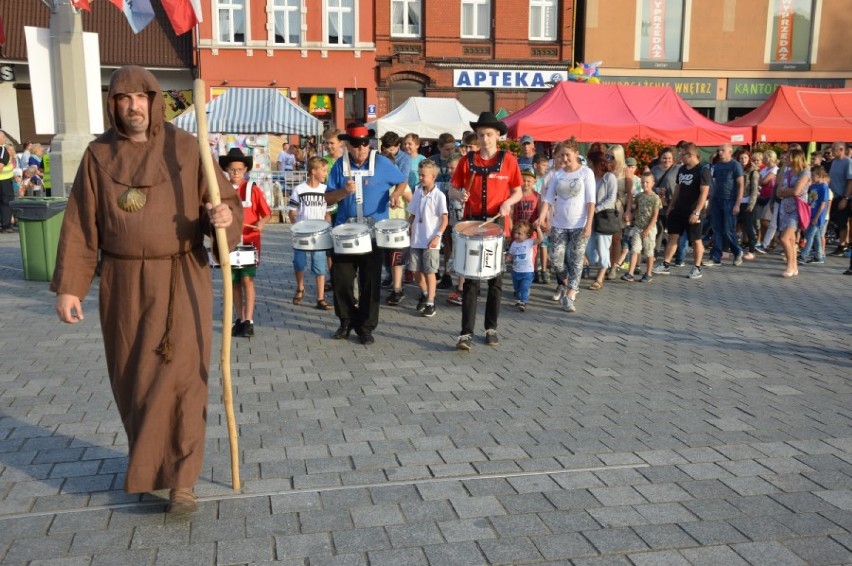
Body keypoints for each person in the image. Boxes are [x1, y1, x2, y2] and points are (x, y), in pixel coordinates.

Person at [50, 66, 242, 514]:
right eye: (123, 98)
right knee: (134, 379)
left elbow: (225, 202)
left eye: (142, 96)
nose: (133, 105)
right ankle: (151, 465)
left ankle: (182, 481)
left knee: (182, 381)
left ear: (155, 101)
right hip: (122, 286)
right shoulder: (98, 156)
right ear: (113, 104)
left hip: (181, 279)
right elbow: (81, 224)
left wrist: (224, 221)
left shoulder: (187, 148)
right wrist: (70, 288)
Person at [325, 123, 407, 345]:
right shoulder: (339, 166)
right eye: (355, 144)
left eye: (364, 144)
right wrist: (344, 192)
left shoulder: (380, 162)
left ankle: (366, 327)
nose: (360, 149)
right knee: (341, 280)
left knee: (369, 282)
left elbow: (402, 180)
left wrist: (396, 195)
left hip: (372, 234)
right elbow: (327, 198)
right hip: (345, 232)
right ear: (347, 145)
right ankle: (346, 321)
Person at [452, 112, 522, 350]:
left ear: (498, 136)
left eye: (489, 135)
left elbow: (518, 191)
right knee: (471, 280)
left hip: (497, 225)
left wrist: (508, 203)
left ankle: (490, 328)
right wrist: (459, 194)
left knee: (495, 279)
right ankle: (466, 333)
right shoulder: (466, 161)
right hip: (472, 224)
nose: (485, 139)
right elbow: (453, 188)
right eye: (481, 135)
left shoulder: (508, 160)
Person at [220, 148, 272, 338]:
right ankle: (240, 318)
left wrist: (261, 223)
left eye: (240, 169)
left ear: (245, 170)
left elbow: (266, 213)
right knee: (233, 283)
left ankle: (249, 320)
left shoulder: (253, 189)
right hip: (229, 242)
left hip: (249, 242)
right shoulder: (221, 190)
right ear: (227, 169)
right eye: (233, 169)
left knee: (247, 280)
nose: (236, 173)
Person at [540, 138, 596, 313]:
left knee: (576, 259)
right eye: (561, 155)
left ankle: (570, 295)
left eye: (567, 155)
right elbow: (548, 198)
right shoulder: (558, 174)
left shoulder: (586, 173)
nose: (564, 159)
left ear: (576, 154)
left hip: (579, 223)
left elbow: (591, 201)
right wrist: (542, 217)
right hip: (559, 224)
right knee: (556, 260)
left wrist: (589, 224)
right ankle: (567, 284)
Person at [653, 142, 710, 279]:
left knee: (696, 240)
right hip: (679, 209)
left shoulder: (702, 170)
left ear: (690, 155)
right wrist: (671, 206)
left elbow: (704, 193)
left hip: (693, 211)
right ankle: (666, 264)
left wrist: (696, 212)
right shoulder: (682, 169)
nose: (680, 157)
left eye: (682, 155)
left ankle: (697, 268)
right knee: (673, 236)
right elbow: (678, 188)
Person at [288, 156, 333, 309]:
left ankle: (320, 298)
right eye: (324, 171)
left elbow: (328, 212)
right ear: (313, 171)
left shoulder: (326, 190)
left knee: (320, 264)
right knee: (299, 262)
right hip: (302, 233)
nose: (325, 174)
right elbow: (292, 210)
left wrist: (328, 224)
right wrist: (295, 223)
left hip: (319, 234)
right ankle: (300, 287)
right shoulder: (299, 189)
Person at [407, 159, 448, 318]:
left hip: (431, 239)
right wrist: (407, 228)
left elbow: (444, 219)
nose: (421, 177)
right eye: (420, 174)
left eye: (424, 175)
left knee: (430, 271)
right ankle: (424, 293)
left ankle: (431, 302)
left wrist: (438, 236)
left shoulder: (439, 196)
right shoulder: (418, 191)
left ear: (433, 177)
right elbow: (412, 213)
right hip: (417, 238)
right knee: (415, 269)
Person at [776, 148, 811, 277]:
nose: (786, 159)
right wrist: (784, 166)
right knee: (790, 239)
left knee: (784, 238)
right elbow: (778, 189)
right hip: (785, 207)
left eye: (789, 157)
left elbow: (797, 191)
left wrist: (786, 191)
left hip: (797, 208)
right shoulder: (788, 172)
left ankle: (790, 265)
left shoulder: (805, 172)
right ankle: (794, 266)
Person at [585, 150, 617, 291]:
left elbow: (611, 199)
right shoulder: (591, 177)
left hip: (603, 217)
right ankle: (600, 267)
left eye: (591, 163)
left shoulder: (609, 177)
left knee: (603, 248)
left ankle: (600, 277)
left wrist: (596, 209)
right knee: (590, 251)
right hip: (590, 218)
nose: (589, 165)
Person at [622, 171, 662, 283]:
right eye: (643, 182)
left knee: (649, 252)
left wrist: (648, 229)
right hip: (638, 227)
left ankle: (648, 273)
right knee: (635, 249)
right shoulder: (639, 196)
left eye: (647, 182)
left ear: (652, 183)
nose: (645, 184)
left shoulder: (655, 198)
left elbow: (655, 216)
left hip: (649, 229)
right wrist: (631, 215)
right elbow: (637, 209)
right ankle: (630, 273)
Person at [709, 143, 745, 265]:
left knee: (728, 230)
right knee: (716, 229)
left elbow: (741, 185)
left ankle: (737, 252)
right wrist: (710, 202)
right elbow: (714, 184)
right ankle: (716, 256)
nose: (720, 153)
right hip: (716, 200)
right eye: (719, 150)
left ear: (730, 152)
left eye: (723, 150)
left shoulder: (735, 165)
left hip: (729, 200)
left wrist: (737, 204)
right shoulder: (717, 166)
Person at [507, 220, 542, 312]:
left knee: (524, 287)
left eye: (520, 233)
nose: (517, 235)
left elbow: (541, 239)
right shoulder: (514, 243)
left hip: (527, 271)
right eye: (515, 233)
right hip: (516, 271)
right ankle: (520, 299)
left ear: (527, 235)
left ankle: (523, 302)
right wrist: (508, 258)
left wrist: (538, 229)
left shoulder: (529, 242)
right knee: (517, 288)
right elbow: (511, 254)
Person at [799, 165, 830, 264]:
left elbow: (822, 204)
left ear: (819, 175)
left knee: (809, 236)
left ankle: (803, 256)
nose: (812, 177)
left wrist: (817, 217)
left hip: (817, 215)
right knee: (816, 236)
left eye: (813, 175)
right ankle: (819, 256)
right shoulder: (813, 186)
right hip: (810, 213)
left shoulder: (824, 187)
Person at [827, 142, 852, 256]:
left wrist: (845, 198)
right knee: (836, 220)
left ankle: (842, 246)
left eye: (834, 148)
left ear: (842, 149)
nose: (831, 151)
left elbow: (850, 181)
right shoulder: (834, 162)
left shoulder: (848, 162)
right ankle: (843, 243)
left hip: (843, 196)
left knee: (843, 221)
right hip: (834, 195)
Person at [735, 149, 760, 260]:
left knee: (748, 227)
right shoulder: (737, 169)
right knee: (737, 226)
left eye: (745, 157)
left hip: (747, 201)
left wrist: (751, 204)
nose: (743, 160)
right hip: (737, 201)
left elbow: (754, 189)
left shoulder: (753, 172)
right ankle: (736, 247)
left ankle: (752, 250)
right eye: (741, 158)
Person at [0, 131, 15, 233]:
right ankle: (6, 226)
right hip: (4, 182)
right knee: (6, 203)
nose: (5, 139)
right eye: (4, 137)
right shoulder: (2, 150)